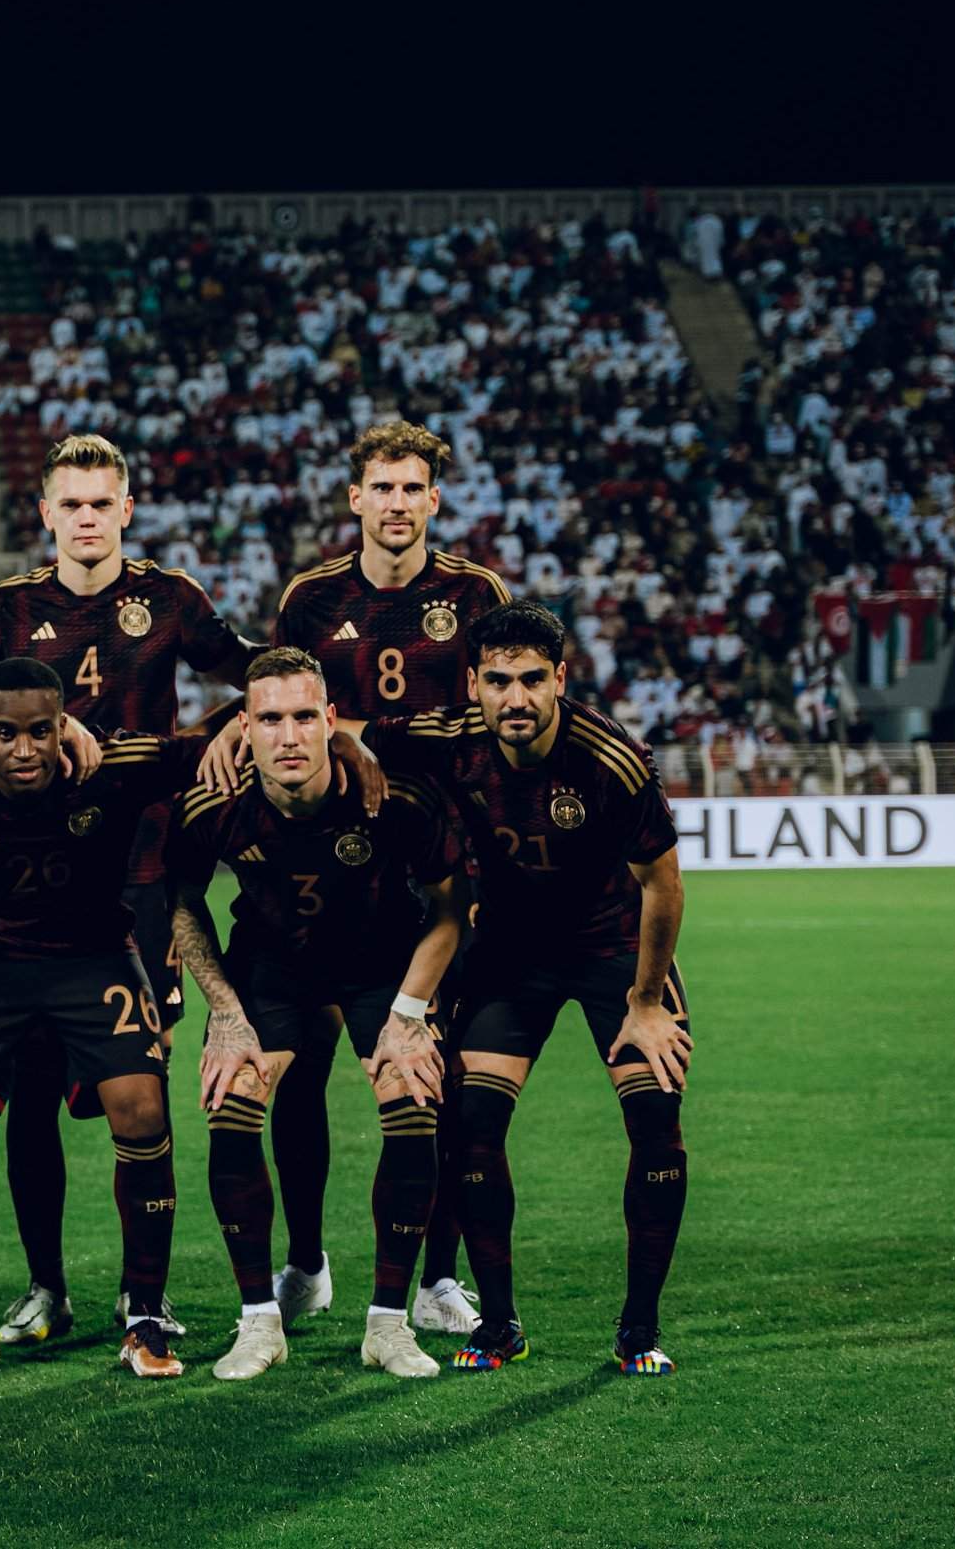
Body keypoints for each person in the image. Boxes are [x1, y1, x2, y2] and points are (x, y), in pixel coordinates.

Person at [0, 432, 258, 1347]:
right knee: (35, 1089)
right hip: (29, 884)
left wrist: (224, 733)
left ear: (126, 510)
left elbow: (257, 672)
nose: (86, 518)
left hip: (139, 883)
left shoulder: (172, 600)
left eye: (102, 503)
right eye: (70, 504)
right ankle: (47, 1285)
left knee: (140, 1090)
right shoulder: (10, 609)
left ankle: (145, 1294)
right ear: (45, 513)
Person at [355, 601, 692, 1377]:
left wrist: (645, 1002)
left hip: (614, 949)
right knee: (471, 1120)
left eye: (533, 680)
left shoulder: (611, 759)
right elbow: (357, 729)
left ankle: (638, 1329)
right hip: (510, 949)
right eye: (499, 680)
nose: (516, 697)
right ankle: (501, 1324)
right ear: (473, 682)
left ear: (560, 680)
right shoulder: (448, 740)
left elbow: (663, 887)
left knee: (655, 1116)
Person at [0, 659, 213, 1380]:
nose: (23, 749)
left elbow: (208, 741)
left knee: (142, 1105)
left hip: (91, 954)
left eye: (39, 731)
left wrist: (337, 737)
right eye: (4, 733)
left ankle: (145, 1317)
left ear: (65, 726)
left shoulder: (110, 769)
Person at [241, 418, 506, 1335]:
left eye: (412, 488)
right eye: (380, 487)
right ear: (354, 498)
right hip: (331, 863)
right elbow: (280, 702)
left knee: (434, 1072)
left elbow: (497, 714)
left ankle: (434, 1279)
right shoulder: (312, 600)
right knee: (305, 1065)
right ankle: (306, 1261)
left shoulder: (475, 593)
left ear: (434, 499)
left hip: (444, 869)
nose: (396, 503)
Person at [169, 647, 465, 1381]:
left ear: (333, 722)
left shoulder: (392, 798)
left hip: (378, 963)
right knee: (232, 1095)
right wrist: (227, 1011)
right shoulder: (215, 803)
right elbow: (178, 902)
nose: (289, 734)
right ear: (245, 728)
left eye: (305, 716)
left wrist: (409, 1011)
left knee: (412, 1091)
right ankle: (258, 1323)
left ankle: (389, 1324)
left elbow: (453, 907)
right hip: (270, 967)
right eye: (270, 718)